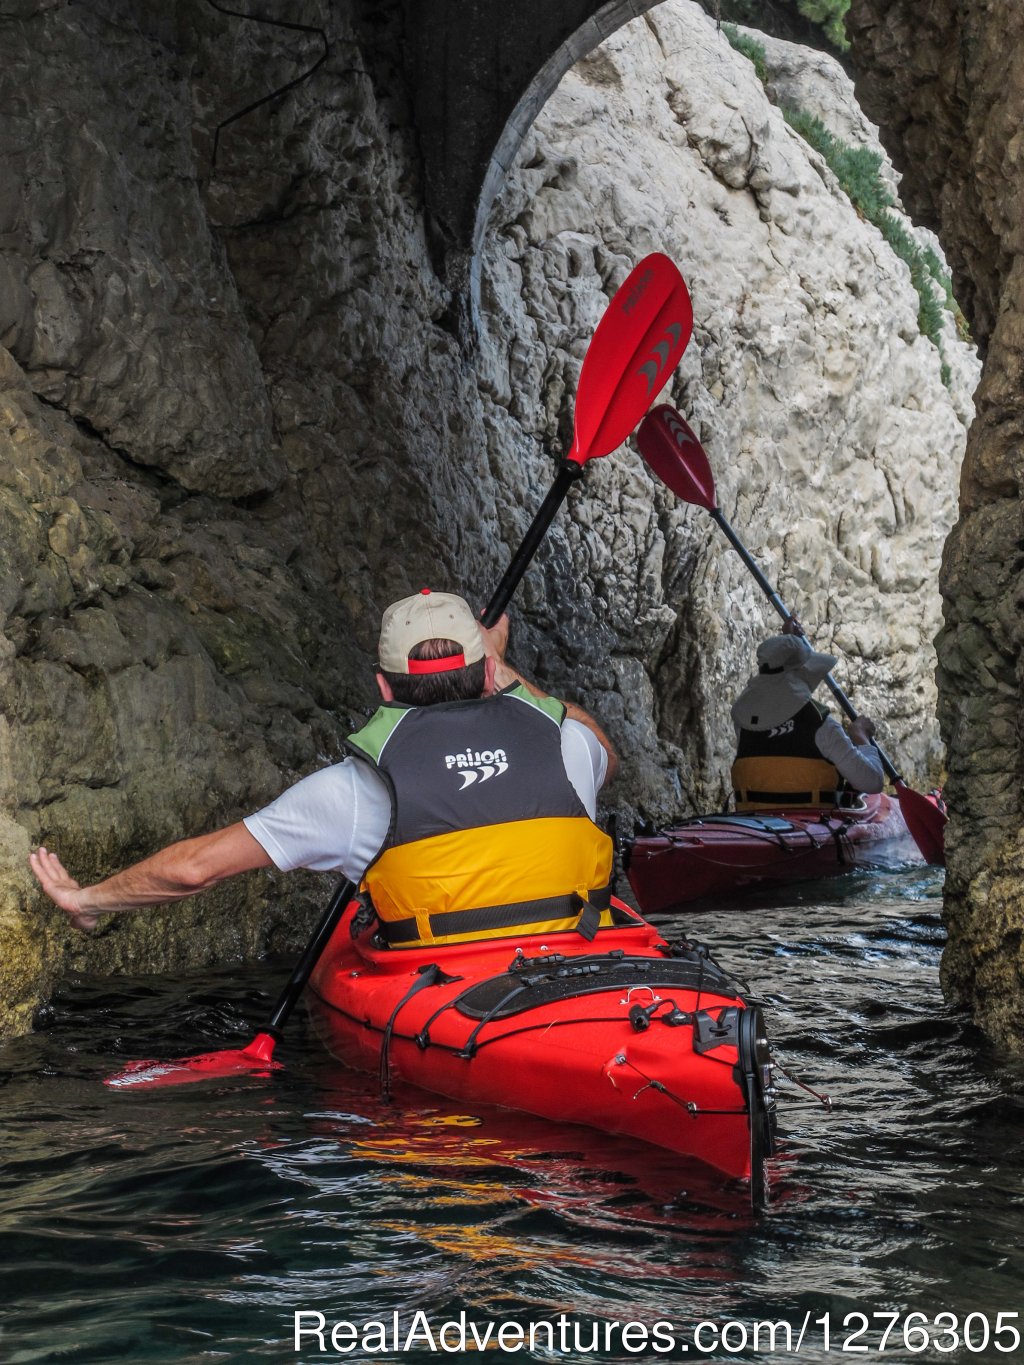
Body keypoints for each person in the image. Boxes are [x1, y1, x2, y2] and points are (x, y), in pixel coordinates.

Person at [30, 590, 619, 947]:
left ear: (385, 687)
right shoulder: (569, 746)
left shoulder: (353, 794)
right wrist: (500, 662)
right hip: (590, 966)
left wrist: (87, 901)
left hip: (452, 993)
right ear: (491, 675)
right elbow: (602, 747)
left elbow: (194, 870)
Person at [730, 616, 884, 812]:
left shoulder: (743, 723)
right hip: (813, 826)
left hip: (753, 824)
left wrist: (790, 643)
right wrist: (860, 736)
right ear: (801, 676)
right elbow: (872, 783)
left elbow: (776, 712)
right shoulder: (821, 725)